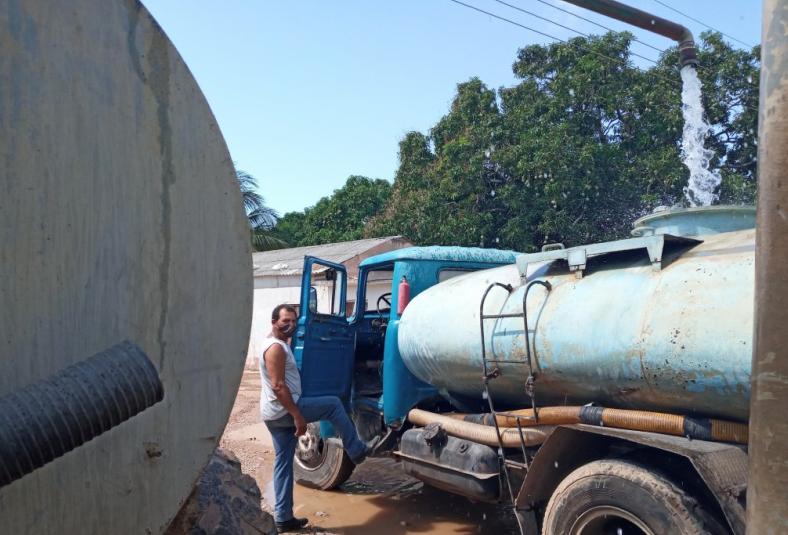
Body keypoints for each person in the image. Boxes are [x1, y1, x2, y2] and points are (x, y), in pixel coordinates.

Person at [260, 304, 372, 533]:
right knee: (333, 405)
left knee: (283, 466)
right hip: (283, 412)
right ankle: (357, 449)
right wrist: (298, 417)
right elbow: (279, 386)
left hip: (272, 414)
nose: (290, 325)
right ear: (274, 322)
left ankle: (283, 518)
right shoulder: (275, 349)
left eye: (293, 320)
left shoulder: (277, 343)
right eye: (285, 321)